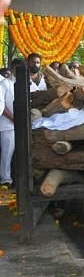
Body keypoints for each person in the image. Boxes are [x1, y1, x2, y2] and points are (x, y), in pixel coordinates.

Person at [0, 58, 23, 189]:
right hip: (7, 124)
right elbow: (1, 105)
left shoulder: (25, 83)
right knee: (7, 152)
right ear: (12, 69)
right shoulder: (4, 84)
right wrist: (13, 118)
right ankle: (5, 179)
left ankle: (19, 179)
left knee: (21, 152)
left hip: (23, 125)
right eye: (16, 68)